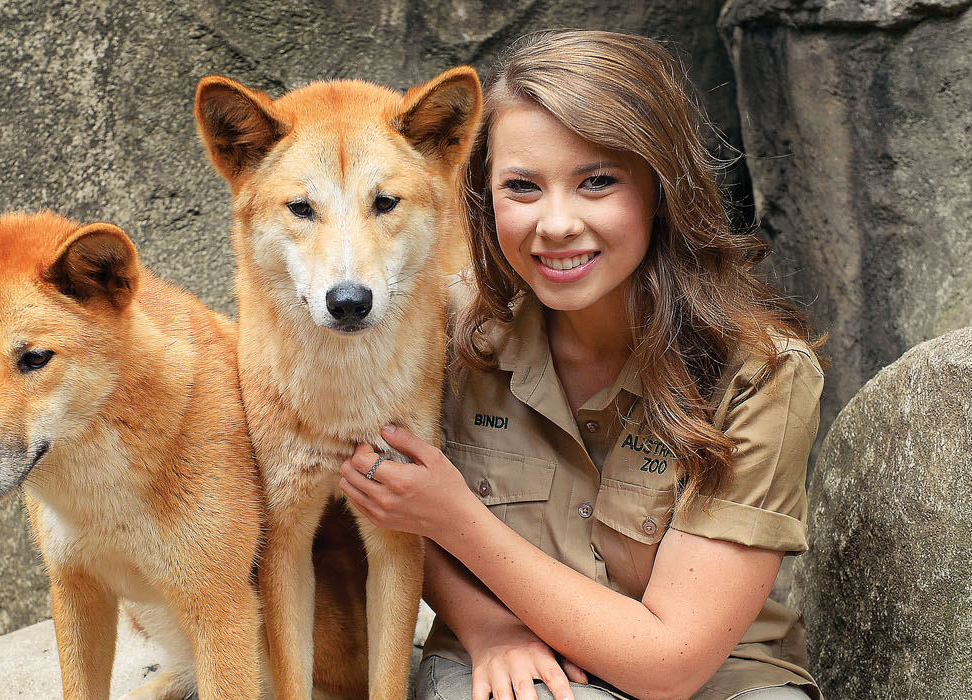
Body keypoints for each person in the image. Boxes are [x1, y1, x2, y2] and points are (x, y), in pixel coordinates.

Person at [336, 29, 830, 700]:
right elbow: (377, 499)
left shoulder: (760, 373)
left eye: (597, 182)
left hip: (718, 681)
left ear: (662, 188)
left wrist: (455, 517)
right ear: (482, 196)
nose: (557, 223)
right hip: (511, 661)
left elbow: (673, 662)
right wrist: (486, 628)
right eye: (522, 187)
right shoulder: (436, 330)